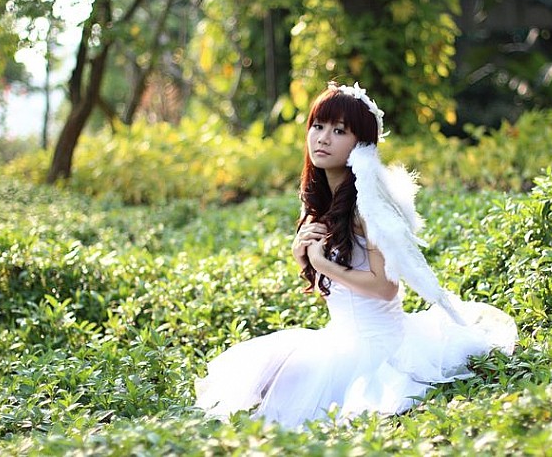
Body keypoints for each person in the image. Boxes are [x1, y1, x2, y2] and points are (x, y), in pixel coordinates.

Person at [194, 82, 517, 429]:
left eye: (339, 131)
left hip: (380, 345)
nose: (323, 139)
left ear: (361, 143)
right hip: (339, 336)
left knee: (293, 398)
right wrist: (302, 258)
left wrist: (322, 264)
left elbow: (385, 287)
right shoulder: (322, 201)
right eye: (318, 126)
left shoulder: (368, 206)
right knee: (260, 379)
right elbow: (341, 296)